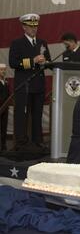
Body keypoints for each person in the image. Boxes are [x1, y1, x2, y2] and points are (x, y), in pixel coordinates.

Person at [8, 13, 51, 150]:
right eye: (30, 26)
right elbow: (13, 63)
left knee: (37, 114)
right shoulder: (17, 43)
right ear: (24, 27)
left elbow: (49, 61)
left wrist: (46, 62)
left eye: (36, 26)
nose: (34, 29)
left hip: (38, 84)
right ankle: (21, 142)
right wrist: (33, 61)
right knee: (22, 115)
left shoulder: (42, 42)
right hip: (24, 85)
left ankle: (37, 141)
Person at [0, 63, 9, 151]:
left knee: (4, 126)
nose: (3, 71)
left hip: (5, 107)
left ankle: (3, 144)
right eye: (1, 70)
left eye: (4, 70)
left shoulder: (6, 82)